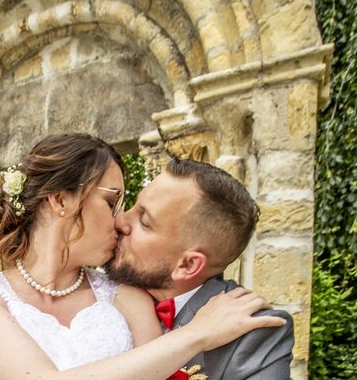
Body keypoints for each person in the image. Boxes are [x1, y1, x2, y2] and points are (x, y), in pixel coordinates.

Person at [0, 133, 286, 380]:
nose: (120, 221)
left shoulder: (125, 295)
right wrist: (196, 333)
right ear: (61, 200)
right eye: (112, 203)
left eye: (137, 214)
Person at [105, 157, 295, 379]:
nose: (119, 221)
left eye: (144, 222)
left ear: (187, 265)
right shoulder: (88, 295)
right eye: (133, 207)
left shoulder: (254, 332)